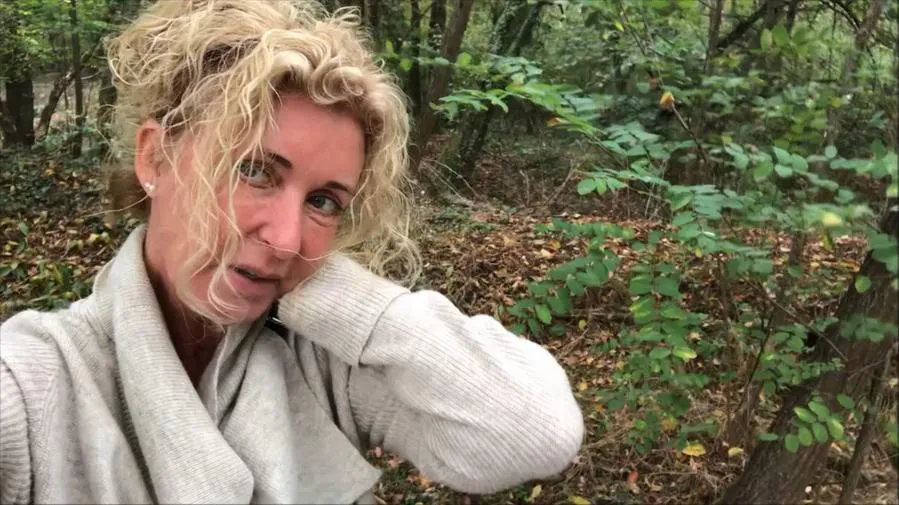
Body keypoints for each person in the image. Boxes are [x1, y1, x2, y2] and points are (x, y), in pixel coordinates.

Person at [0, 1, 584, 503]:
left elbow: (535, 433)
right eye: (255, 171)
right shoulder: (31, 386)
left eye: (324, 202)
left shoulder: (323, 364)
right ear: (155, 156)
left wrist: (323, 288)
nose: (285, 237)